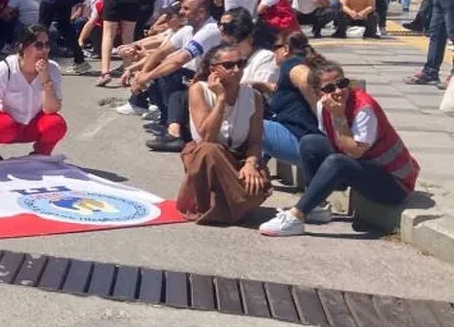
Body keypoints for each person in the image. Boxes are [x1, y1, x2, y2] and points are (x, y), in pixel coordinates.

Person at [260, 62, 420, 237]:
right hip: (366, 170)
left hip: (394, 184)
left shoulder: (364, 108)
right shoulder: (324, 106)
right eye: (328, 88)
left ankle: (296, 217)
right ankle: (316, 206)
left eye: (342, 84)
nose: (337, 91)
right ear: (317, 93)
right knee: (310, 142)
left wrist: (339, 117)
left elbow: (354, 152)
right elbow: (330, 141)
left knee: (337, 162)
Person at [176, 44, 272, 224]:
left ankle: (232, 203)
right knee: (209, 150)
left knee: (255, 185)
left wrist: (250, 164)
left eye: (241, 63)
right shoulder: (199, 89)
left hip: (238, 158)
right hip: (205, 158)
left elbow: (255, 142)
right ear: (214, 70)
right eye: (229, 66)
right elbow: (207, 137)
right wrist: (220, 99)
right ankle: (228, 205)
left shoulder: (255, 97)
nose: (237, 69)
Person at [131, 0, 222, 153]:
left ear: (200, 12)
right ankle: (169, 121)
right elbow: (159, 52)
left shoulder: (210, 30)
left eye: (186, 8)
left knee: (171, 73)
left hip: (210, 82)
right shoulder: (188, 29)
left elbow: (179, 60)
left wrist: (147, 76)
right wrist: (141, 75)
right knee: (160, 69)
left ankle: (175, 133)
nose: (181, 12)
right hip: (192, 76)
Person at [0, 24, 66, 174]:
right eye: (38, 45)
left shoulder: (53, 68)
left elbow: (51, 109)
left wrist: (45, 80)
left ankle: (40, 156)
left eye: (47, 45)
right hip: (8, 124)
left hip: (33, 124)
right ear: (23, 47)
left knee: (56, 124)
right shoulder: (6, 67)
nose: (44, 50)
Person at [260, 32, 321, 165]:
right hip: (305, 137)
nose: (272, 53)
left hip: (300, 138)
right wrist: (261, 85)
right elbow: (286, 92)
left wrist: (320, 113)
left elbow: (306, 82)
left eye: (275, 48)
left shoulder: (292, 64)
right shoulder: (305, 61)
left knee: (244, 123)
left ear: (286, 49)